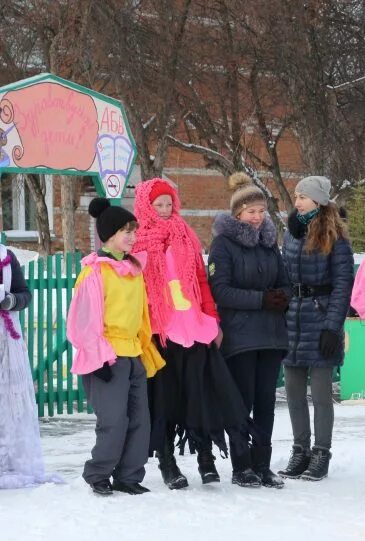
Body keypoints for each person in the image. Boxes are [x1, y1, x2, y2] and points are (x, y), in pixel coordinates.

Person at [133, 177, 250, 490]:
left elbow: (200, 280)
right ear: (146, 206)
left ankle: (205, 458)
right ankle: (168, 463)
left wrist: (211, 318)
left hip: (193, 328)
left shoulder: (185, 235)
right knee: (166, 401)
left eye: (168, 203)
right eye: (158, 204)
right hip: (161, 332)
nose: (164, 209)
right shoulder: (138, 241)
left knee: (201, 396)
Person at [67, 199, 165, 495]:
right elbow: (83, 319)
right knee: (113, 421)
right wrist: (98, 359)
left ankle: (129, 475)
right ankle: (98, 473)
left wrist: (144, 348)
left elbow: (141, 314)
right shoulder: (96, 272)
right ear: (108, 235)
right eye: (126, 231)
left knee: (139, 419)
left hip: (133, 353)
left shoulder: (133, 269)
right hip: (107, 357)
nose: (133, 237)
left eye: (134, 231)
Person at [208, 173, 290, 488]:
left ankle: (263, 464)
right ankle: (242, 465)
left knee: (266, 402)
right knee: (242, 402)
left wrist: (282, 297)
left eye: (261, 211)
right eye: (250, 211)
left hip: (271, 335)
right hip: (240, 337)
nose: (256, 217)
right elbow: (221, 291)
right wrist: (260, 299)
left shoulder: (270, 244)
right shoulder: (223, 244)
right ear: (238, 214)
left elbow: (284, 281)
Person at [277, 176, 354, 482]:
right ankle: (300, 449)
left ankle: (321, 451)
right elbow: (284, 273)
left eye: (303, 197)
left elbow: (342, 284)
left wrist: (332, 327)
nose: (296, 202)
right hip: (293, 319)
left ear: (319, 201)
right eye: (296, 196)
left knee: (321, 394)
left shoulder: (335, 236)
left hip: (321, 318)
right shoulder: (292, 232)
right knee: (294, 390)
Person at [0, 245, 63, 489]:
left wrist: (11, 301)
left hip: (6, 339)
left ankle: (8, 460)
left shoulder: (6, 256)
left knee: (9, 402)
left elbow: (24, 294)